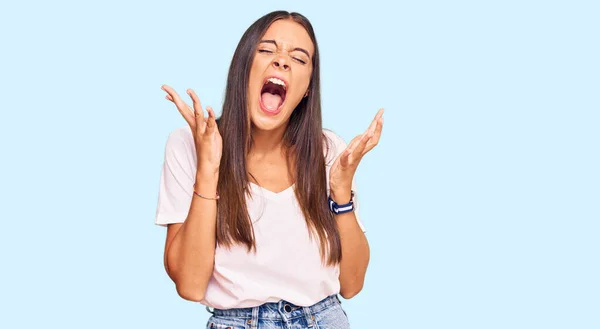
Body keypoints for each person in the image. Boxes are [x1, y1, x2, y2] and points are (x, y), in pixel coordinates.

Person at [155, 10, 384, 329]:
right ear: (242, 69)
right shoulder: (190, 144)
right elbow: (190, 285)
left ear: (306, 89)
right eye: (266, 50)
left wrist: (341, 194)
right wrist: (208, 170)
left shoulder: (328, 149)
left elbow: (352, 284)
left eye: (299, 58)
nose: (282, 61)